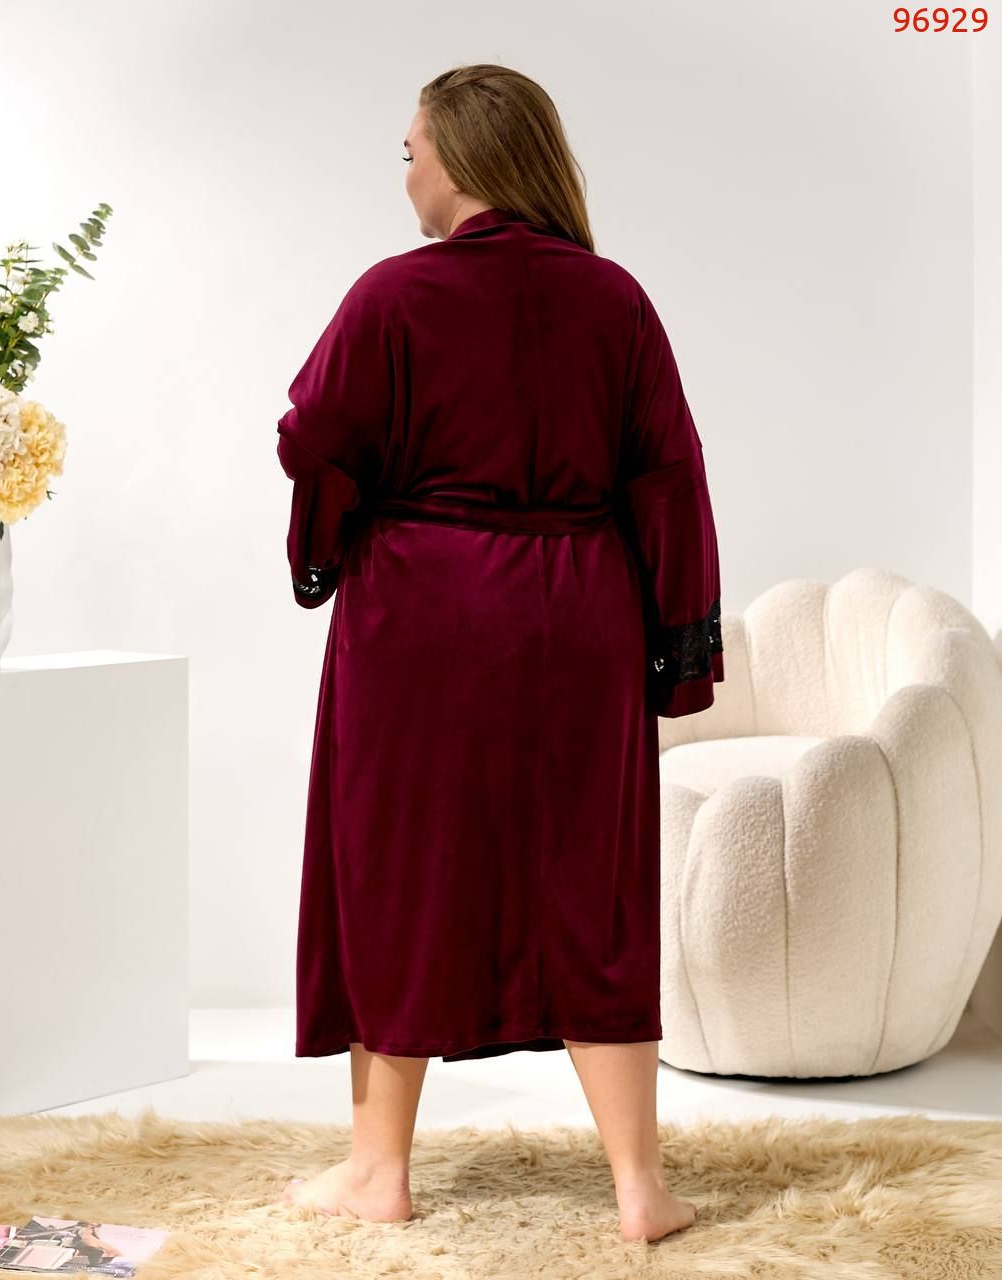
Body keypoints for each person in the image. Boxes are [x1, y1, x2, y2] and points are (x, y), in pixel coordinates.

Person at [277, 63, 724, 1245]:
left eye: (411, 149)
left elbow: (311, 437)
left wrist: (342, 524)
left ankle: (378, 1170)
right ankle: (639, 1187)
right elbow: (668, 475)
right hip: (581, 615)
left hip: (418, 621)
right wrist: (677, 645)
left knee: (398, 873)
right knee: (594, 884)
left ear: (464, 156)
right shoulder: (614, 300)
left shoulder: (392, 296)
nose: (404, 172)